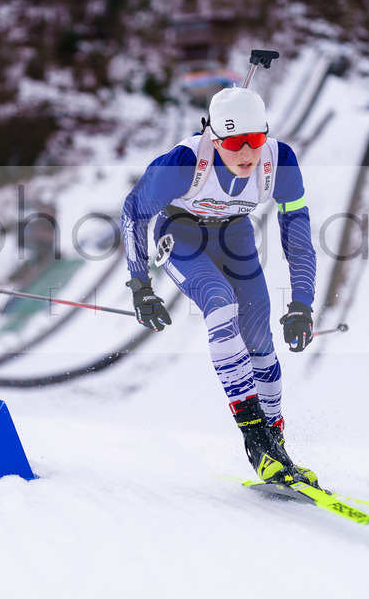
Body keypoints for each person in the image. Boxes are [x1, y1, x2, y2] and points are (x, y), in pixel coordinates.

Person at [121, 86, 318, 486]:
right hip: (182, 234)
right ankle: (254, 437)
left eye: (255, 140)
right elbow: (133, 213)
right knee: (221, 303)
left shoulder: (279, 162)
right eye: (234, 143)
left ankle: (276, 449)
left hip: (235, 237)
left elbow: (297, 234)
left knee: (260, 337)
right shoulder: (183, 163)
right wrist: (141, 286)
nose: (247, 154)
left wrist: (302, 304)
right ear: (213, 137)